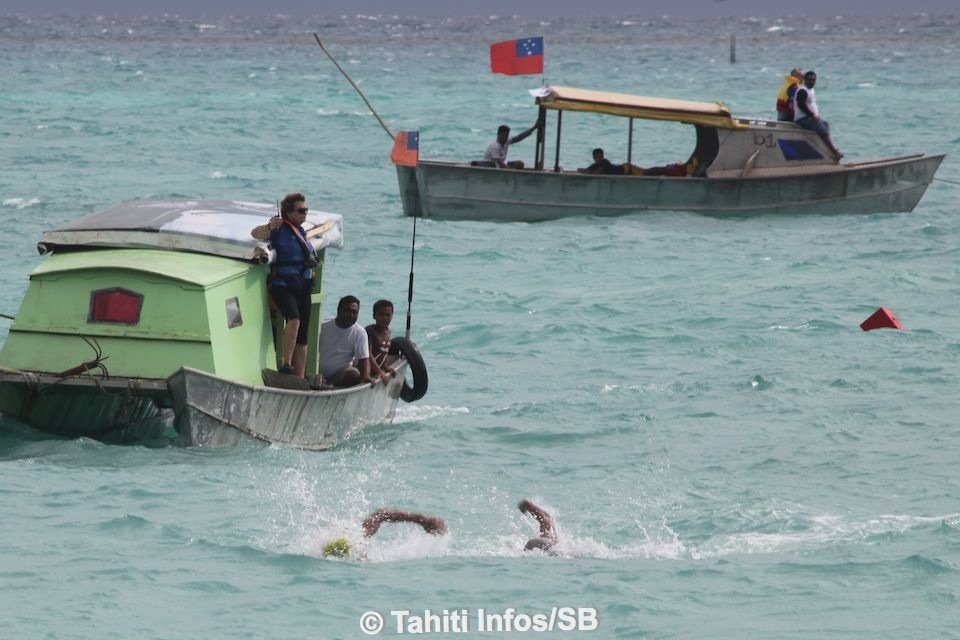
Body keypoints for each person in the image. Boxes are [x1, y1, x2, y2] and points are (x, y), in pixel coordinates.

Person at [250, 192, 318, 378]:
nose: (305, 213)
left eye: (306, 210)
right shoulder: (279, 229)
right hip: (284, 284)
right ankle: (286, 364)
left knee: (303, 337)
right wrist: (269, 226)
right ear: (288, 212)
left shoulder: (302, 231)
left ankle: (299, 378)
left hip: (303, 284)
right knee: (294, 319)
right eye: (301, 210)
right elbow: (255, 233)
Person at [322, 508, 448, 558]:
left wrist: (422, 520)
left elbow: (381, 515)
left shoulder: (358, 538)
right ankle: (424, 520)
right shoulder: (359, 545)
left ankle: (424, 520)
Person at [318, 295, 374, 387]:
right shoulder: (322, 325)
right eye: (347, 311)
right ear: (339, 310)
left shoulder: (359, 332)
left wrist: (366, 375)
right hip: (315, 372)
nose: (351, 315)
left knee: (354, 375)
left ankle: (331, 387)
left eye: (354, 312)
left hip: (339, 375)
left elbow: (364, 359)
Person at [793, 70, 843, 160]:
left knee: (825, 125)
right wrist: (812, 115)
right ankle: (834, 152)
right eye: (809, 80)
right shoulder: (802, 90)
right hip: (802, 118)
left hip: (810, 117)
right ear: (805, 80)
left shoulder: (811, 90)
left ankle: (828, 149)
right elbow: (801, 105)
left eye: (813, 80)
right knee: (823, 131)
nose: (811, 82)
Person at [365, 299, 395, 384]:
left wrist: (386, 367)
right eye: (381, 314)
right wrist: (380, 372)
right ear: (374, 316)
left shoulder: (388, 332)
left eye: (388, 315)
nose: (385, 318)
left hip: (376, 369)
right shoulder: (370, 331)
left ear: (392, 316)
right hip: (365, 371)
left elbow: (382, 353)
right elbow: (368, 354)